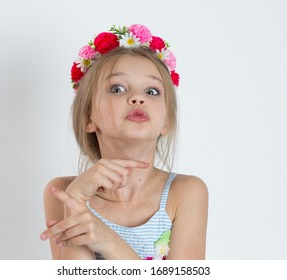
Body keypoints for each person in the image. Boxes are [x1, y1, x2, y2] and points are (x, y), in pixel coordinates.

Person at [40, 24, 208, 260]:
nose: (137, 98)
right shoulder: (64, 192)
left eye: (152, 92)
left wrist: (107, 241)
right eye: (117, 88)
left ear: (166, 122)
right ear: (89, 118)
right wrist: (75, 200)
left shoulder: (185, 193)